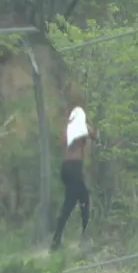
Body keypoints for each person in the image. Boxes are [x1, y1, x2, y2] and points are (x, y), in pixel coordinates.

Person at [51, 105, 96, 251]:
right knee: (82, 200)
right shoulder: (82, 128)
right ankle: (84, 236)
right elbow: (93, 135)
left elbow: (63, 142)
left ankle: (56, 240)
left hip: (66, 168)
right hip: (74, 168)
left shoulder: (68, 129)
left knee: (70, 203)